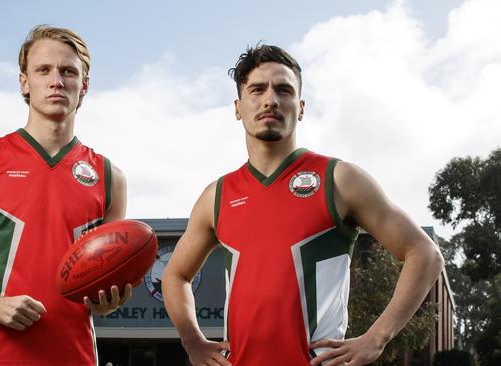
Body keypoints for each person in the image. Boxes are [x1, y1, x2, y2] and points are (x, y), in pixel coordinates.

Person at [162, 44, 444, 366]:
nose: (270, 100)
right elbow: (175, 276)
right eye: (257, 90)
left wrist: (376, 338)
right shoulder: (217, 195)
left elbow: (424, 253)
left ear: (301, 107)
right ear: (238, 107)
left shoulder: (339, 179)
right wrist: (193, 341)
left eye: (284, 90)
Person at [0, 25, 130, 365]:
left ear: (84, 85)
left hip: (77, 356)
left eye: (68, 71)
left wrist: (110, 301)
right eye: (43, 70)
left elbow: (106, 282)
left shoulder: (110, 178)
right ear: (24, 82)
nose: (56, 81)